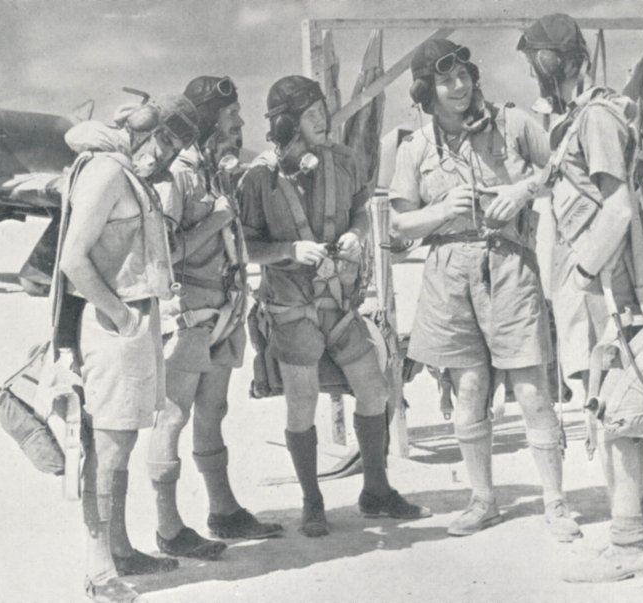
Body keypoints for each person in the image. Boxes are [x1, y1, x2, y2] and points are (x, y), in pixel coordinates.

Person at [387, 38, 581, 541]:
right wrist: (442, 211)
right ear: (427, 91)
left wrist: (523, 189)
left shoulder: (512, 125)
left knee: (533, 389)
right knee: (467, 388)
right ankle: (484, 501)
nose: (459, 87)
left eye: (464, 77)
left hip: (509, 265)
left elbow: (562, 159)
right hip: (448, 272)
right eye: (445, 81)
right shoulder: (414, 148)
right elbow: (399, 224)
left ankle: (556, 503)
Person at [238, 75, 431, 537]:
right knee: (301, 402)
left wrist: (355, 233)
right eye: (310, 115)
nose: (322, 121)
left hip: (340, 302)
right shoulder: (259, 179)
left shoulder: (344, 161)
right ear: (287, 124)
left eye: (323, 110)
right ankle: (312, 501)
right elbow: (246, 246)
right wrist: (288, 250)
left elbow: (362, 211)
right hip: (290, 306)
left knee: (375, 390)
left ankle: (376, 492)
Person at [516, 13, 643, 581]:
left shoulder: (596, 118)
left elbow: (618, 207)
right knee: (606, 407)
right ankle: (629, 533)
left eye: (536, 64)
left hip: (605, 284)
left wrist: (579, 274)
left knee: (618, 407)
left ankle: (630, 544)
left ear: (554, 64)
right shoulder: (578, 118)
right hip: (595, 283)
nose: (534, 75)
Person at [57, 94, 198, 602]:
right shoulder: (109, 172)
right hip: (114, 325)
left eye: (177, 147)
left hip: (136, 319)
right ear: (143, 129)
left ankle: (119, 549)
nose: (166, 155)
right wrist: (119, 317)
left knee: (125, 441)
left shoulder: (129, 173)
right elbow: (74, 258)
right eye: (165, 140)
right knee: (109, 449)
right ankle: (98, 574)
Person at [147, 75, 282, 562]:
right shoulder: (178, 177)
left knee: (213, 412)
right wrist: (216, 221)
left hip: (223, 312)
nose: (240, 125)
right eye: (231, 118)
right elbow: (161, 253)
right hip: (189, 315)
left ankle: (223, 510)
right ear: (207, 121)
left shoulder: (215, 172)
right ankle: (168, 528)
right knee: (174, 415)